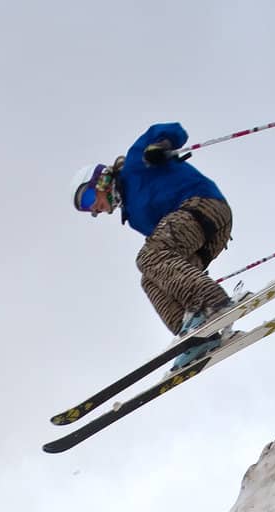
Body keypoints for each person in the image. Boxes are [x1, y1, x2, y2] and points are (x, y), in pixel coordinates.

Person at [74, 123, 234, 364]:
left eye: (88, 198)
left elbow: (172, 130)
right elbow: (168, 258)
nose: (93, 209)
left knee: (149, 257)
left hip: (202, 205)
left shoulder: (134, 164)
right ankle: (195, 334)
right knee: (150, 278)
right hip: (204, 239)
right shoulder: (134, 217)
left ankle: (210, 302)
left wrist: (159, 147)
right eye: (87, 210)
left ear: (100, 181)